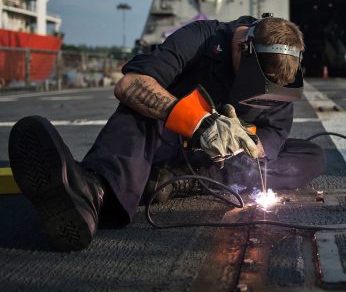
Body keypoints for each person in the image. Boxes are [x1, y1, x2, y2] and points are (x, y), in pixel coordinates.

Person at [8, 15, 325, 251]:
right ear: (243, 49)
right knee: (139, 111)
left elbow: (275, 132)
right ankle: (94, 194)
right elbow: (131, 85)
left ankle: (177, 181)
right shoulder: (200, 37)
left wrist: (248, 142)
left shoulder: (280, 75)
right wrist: (200, 123)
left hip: (215, 162)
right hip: (165, 139)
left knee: (308, 155)